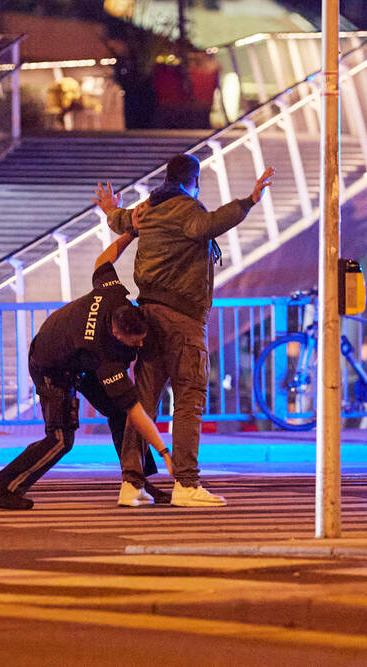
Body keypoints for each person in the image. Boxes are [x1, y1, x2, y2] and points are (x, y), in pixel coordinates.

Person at [95, 155, 274, 507]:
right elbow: (208, 224)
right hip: (182, 319)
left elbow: (123, 222)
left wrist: (110, 210)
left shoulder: (149, 207)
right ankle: (186, 484)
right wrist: (249, 201)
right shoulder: (185, 208)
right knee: (190, 399)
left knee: (143, 402)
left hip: (149, 315)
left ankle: (131, 485)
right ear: (194, 181)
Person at [0, 230, 173, 510]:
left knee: (117, 413)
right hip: (50, 365)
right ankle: (0, 488)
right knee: (61, 439)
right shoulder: (105, 354)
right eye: (136, 342)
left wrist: (131, 232)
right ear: (118, 334)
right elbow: (136, 410)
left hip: (76, 356)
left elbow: (104, 259)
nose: (142, 344)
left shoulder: (113, 294)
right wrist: (166, 453)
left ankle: (138, 481)